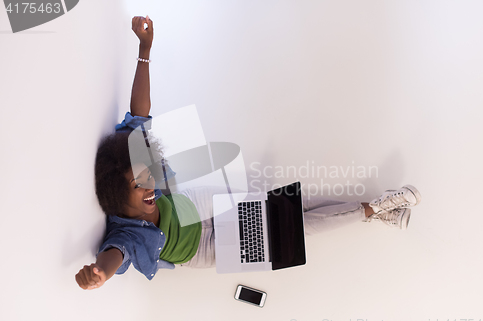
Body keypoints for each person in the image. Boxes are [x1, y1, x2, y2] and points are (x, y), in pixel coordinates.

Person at [75, 16, 422, 290]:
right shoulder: (125, 236)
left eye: (148, 175)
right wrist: (99, 276)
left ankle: (376, 210)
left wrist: (145, 49)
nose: (150, 186)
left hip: (195, 205)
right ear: (117, 195)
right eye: (139, 186)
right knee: (294, 233)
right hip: (203, 250)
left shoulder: (131, 160)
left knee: (290, 205)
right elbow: (112, 257)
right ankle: (377, 208)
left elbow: (139, 116)